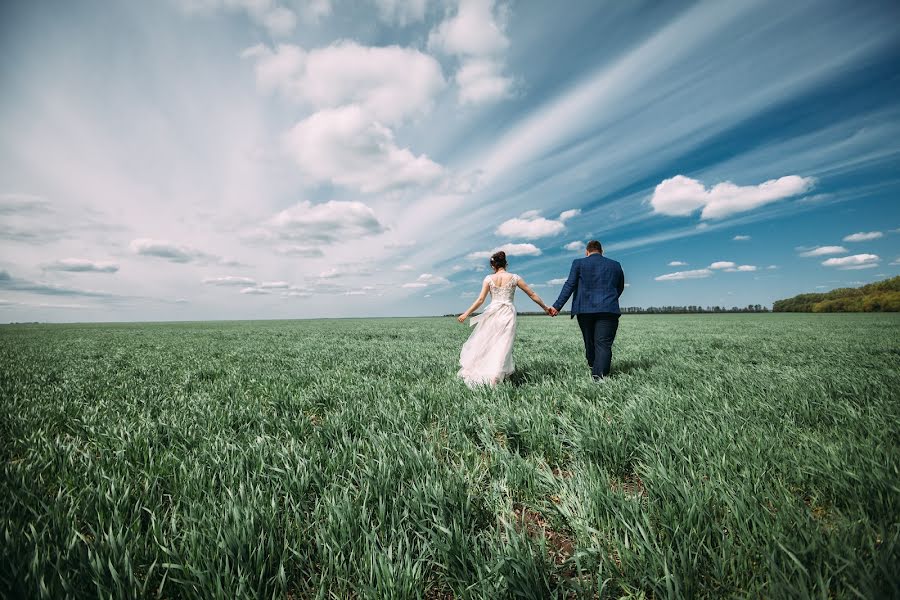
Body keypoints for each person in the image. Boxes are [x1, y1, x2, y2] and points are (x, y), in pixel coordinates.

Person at [456, 251, 552, 386]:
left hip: (492, 313)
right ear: (506, 263)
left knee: (489, 342)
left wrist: (466, 313)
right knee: (503, 344)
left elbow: (480, 300)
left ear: (492, 265)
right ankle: (495, 376)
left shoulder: (488, 278)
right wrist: (545, 307)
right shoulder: (515, 277)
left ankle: (490, 373)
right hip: (507, 313)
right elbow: (532, 293)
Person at [549, 240, 625, 381]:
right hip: (608, 310)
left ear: (587, 252)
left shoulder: (578, 263)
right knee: (603, 344)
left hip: (585, 311)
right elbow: (619, 287)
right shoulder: (615, 265)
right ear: (602, 251)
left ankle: (595, 371)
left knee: (589, 342)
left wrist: (557, 306)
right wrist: (609, 300)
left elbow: (569, 285)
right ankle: (599, 375)